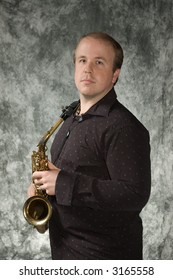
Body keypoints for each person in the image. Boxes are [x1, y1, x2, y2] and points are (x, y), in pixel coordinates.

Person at [28, 32, 151, 260]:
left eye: (99, 62)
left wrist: (63, 183)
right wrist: (42, 192)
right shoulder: (69, 119)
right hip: (66, 256)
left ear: (115, 74)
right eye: (82, 60)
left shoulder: (123, 126)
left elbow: (135, 194)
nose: (88, 69)